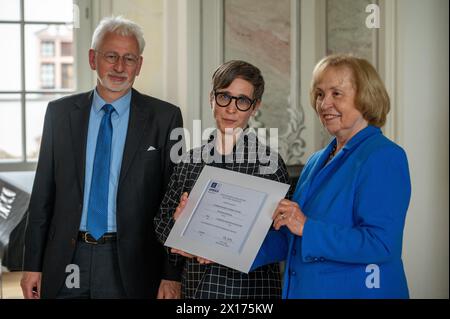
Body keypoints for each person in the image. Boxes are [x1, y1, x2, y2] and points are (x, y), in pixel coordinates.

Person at [20, 16, 183, 299]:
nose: (120, 67)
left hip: (132, 263)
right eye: (111, 56)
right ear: (93, 58)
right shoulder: (59, 114)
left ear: (139, 65)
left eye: (129, 58)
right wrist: (32, 265)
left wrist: (171, 274)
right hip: (68, 257)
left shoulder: (165, 118)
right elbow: (42, 195)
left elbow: (175, 202)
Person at [253, 54, 411, 298]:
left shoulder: (384, 156)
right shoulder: (317, 160)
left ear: (365, 96)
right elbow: (292, 236)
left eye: (336, 93)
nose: (324, 104)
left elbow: (381, 243)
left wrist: (307, 226)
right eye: (319, 94)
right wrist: (225, 249)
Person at [154, 60, 291, 299]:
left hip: (250, 291)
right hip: (196, 289)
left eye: (242, 101)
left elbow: (284, 236)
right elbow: (161, 222)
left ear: (254, 107)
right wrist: (178, 222)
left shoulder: (269, 164)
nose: (231, 108)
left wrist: (225, 246)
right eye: (224, 97)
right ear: (212, 99)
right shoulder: (189, 161)